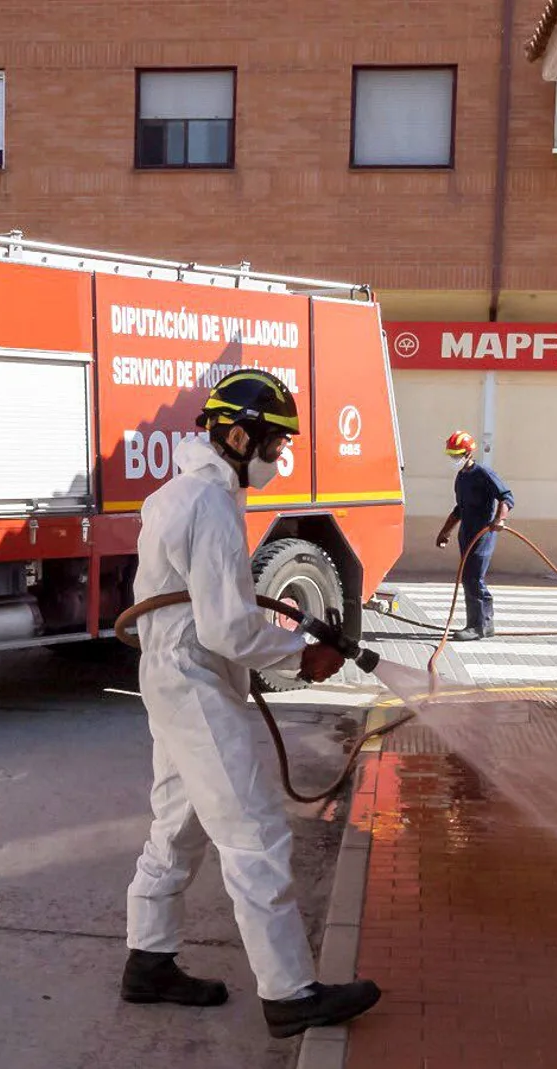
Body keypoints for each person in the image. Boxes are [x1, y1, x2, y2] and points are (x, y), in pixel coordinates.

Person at [122, 369, 383, 1038]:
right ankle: (290, 991)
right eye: (273, 442)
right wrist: (304, 655)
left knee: (177, 826)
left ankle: (148, 960)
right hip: (196, 680)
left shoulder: (182, 494)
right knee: (256, 831)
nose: (280, 457)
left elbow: (213, 615)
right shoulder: (207, 504)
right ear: (236, 435)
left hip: (175, 674)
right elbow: (229, 628)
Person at [435, 431, 514, 639]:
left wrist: (500, 519)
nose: (454, 459)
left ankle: (476, 626)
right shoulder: (461, 477)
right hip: (466, 533)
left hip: (483, 533)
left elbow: (506, 497)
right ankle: (485, 625)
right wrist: (445, 532)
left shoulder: (484, 474)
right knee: (470, 578)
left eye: (457, 455)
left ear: (468, 453)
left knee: (473, 577)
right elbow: (459, 509)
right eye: (451, 455)